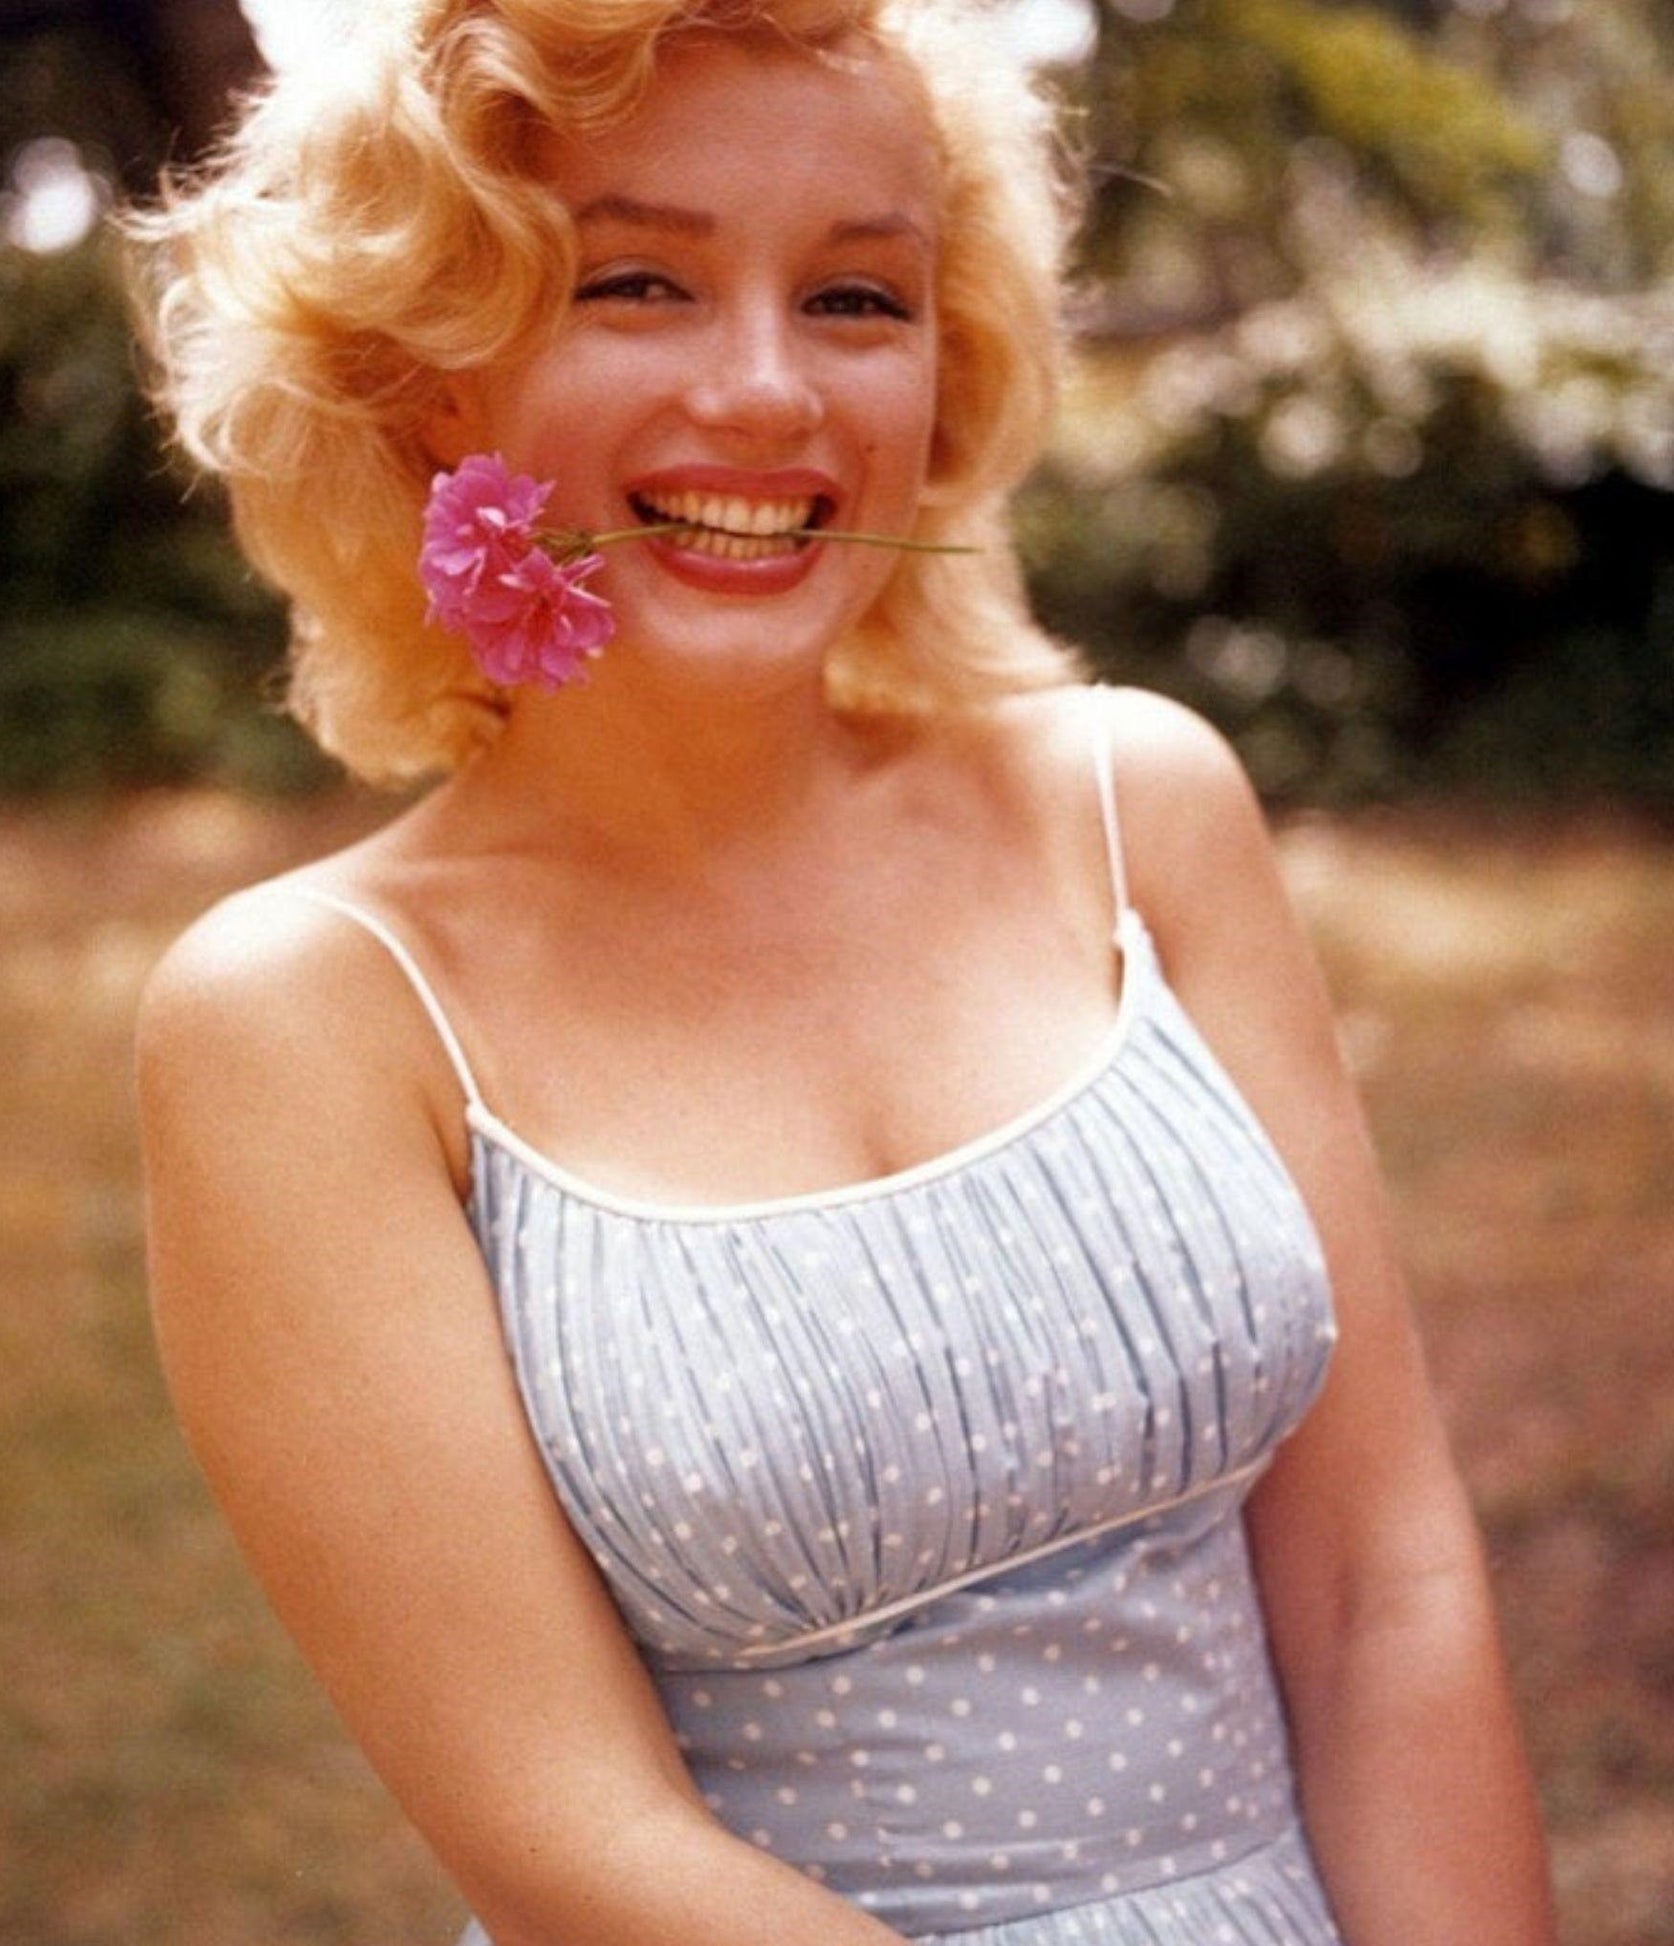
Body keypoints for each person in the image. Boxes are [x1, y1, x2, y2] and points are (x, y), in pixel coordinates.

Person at [128, 2, 1556, 1941]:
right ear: (425, 379)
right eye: (638, 282)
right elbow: (569, 1839)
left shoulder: (1137, 812)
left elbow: (1379, 1582)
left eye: (857, 301)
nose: (768, 393)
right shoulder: (309, 1019)